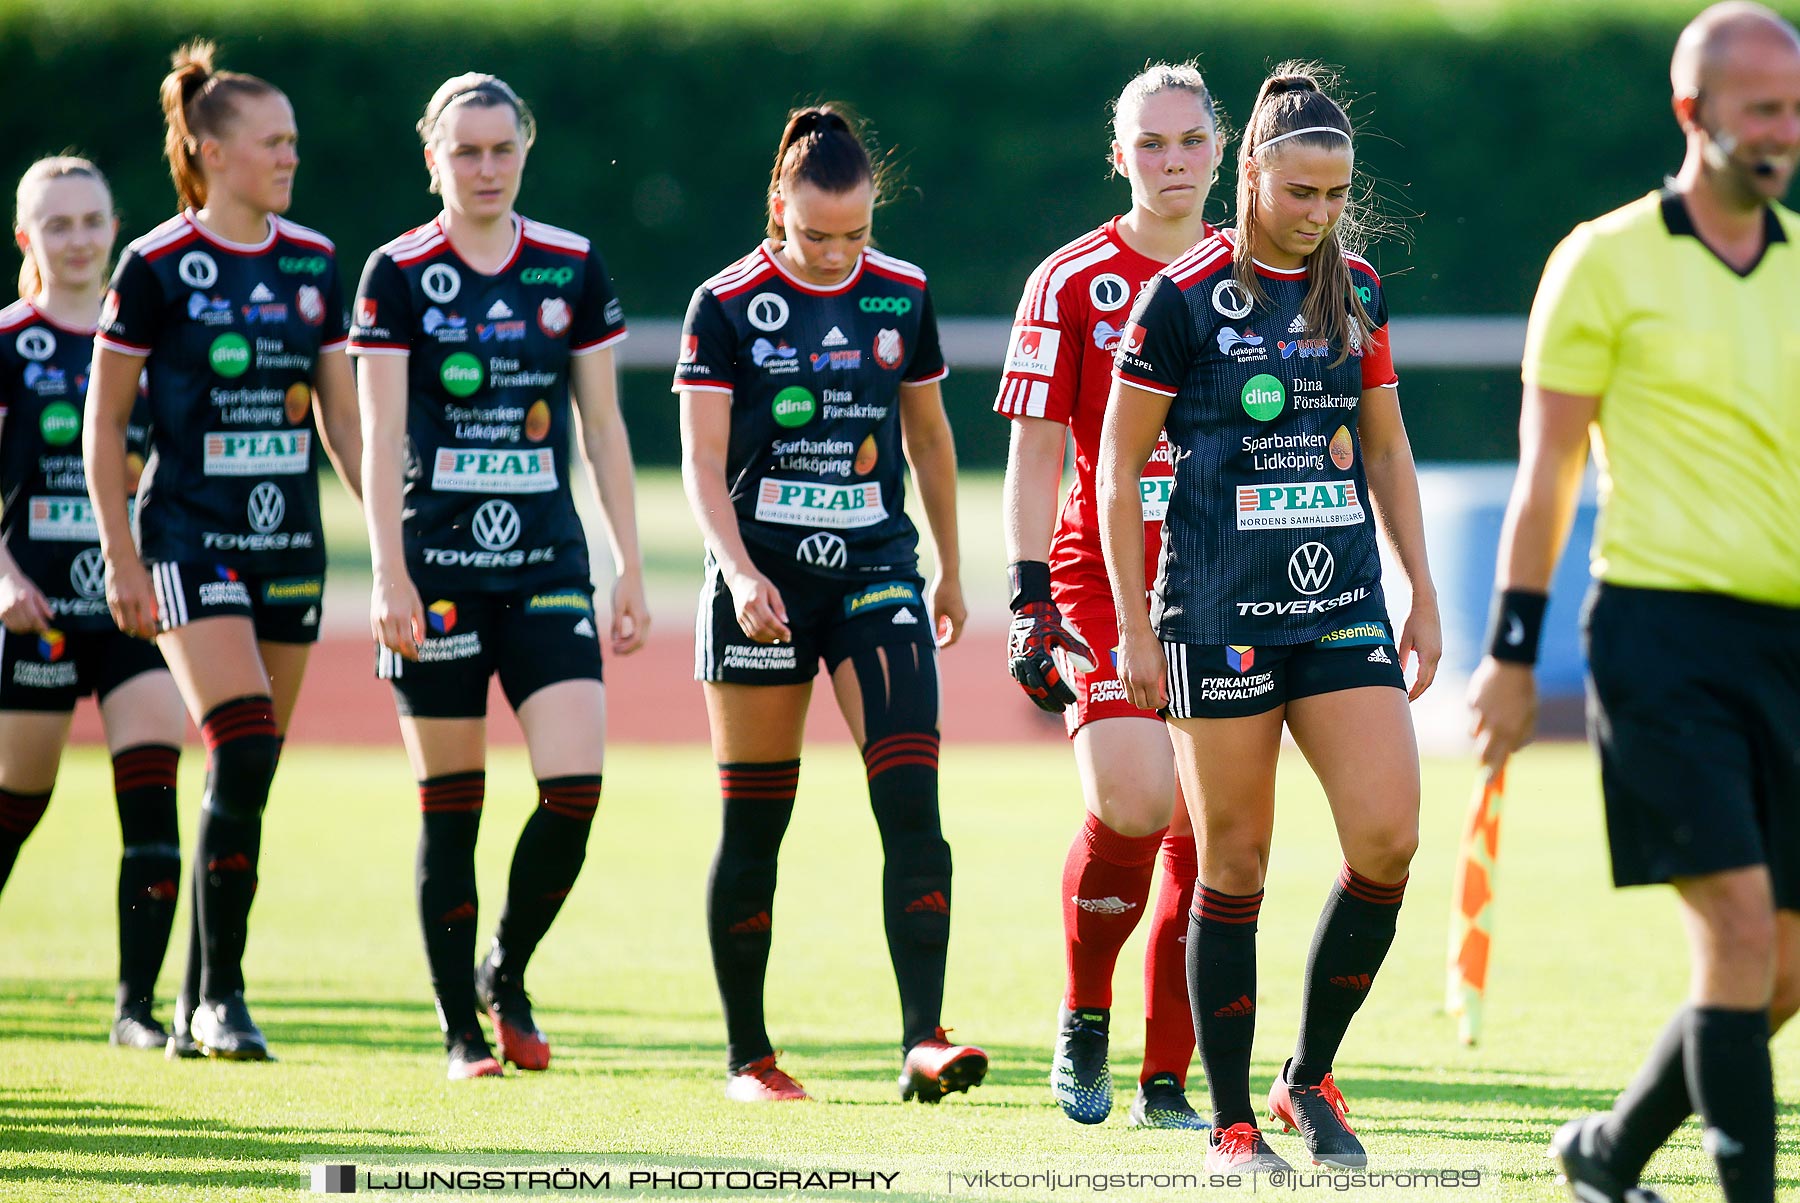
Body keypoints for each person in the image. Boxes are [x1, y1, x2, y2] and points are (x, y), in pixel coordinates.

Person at [1468, 6, 1800, 1201]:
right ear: (1692, 114)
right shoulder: (1602, 260)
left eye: (1795, 107)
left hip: (1790, 645)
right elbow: (1547, 473)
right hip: (1661, 636)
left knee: (1783, 964)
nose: (1784, 132)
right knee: (1738, 929)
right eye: (1761, 109)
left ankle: (1609, 1155)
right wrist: (1513, 653)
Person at [1101, 64, 1440, 1172]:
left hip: (1337, 603)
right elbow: (1116, 465)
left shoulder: (1359, 289)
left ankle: (1310, 1073)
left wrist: (1421, 591)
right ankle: (1234, 1118)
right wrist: (1135, 631)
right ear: (1251, 175)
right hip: (1212, 614)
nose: (1321, 214)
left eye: (1337, 196)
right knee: (1234, 863)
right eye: (1301, 193)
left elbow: (1384, 449)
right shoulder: (1183, 299)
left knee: (1388, 836)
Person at [675, 104, 985, 1105]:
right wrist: (733, 571)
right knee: (758, 825)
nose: (835, 255)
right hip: (761, 586)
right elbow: (700, 460)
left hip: (876, 573)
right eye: (816, 236)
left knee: (910, 801)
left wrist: (949, 563)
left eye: (854, 234)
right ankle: (749, 1059)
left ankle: (923, 1040)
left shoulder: (902, 295)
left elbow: (931, 440)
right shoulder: (722, 304)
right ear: (780, 207)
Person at [350, 72, 648, 1082]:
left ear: (527, 148)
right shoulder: (396, 273)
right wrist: (387, 575)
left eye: (501, 149)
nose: (485, 168)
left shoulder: (568, 266)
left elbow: (601, 426)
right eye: (465, 151)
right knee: (454, 803)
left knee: (575, 788)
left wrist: (628, 565)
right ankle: (460, 1032)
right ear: (432, 157)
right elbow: (381, 431)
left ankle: (505, 968)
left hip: (546, 566)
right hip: (433, 575)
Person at [86, 41, 363, 1062]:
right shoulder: (155, 265)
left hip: (289, 542)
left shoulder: (313, 262)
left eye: (294, 139)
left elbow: (342, 421)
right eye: (274, 141)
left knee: (247, 776)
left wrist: (391, 533)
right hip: (187, 540)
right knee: (241, 742)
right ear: (211, 150)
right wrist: (120, 557)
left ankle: (203, 999)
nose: (293, 155)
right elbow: (103, 422)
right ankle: (222, 997)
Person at [995, 62, 1223, 1130]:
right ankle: (1086, 1016)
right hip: (1100, 579)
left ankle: (1165, 1077)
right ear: (1117, 154)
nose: (1171, 162)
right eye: (1150, 144)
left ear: (1220, 149)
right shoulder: (1070, 279)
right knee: (1135, 802)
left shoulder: (1262, 271)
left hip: (1231, 579)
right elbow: (1037, 447)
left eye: (1188, 142)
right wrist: (1027, 593)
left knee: (1210, 835)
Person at [0, 156, 187, 1051]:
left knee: (152, 796)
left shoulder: (149, 345)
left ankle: (135, 1010)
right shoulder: (8, 341)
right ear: (26, 238)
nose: (78, 238)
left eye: (92, 220)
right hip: (33, 607)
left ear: (115, 229)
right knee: (15, 806)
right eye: (57, 223)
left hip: (133, 607)